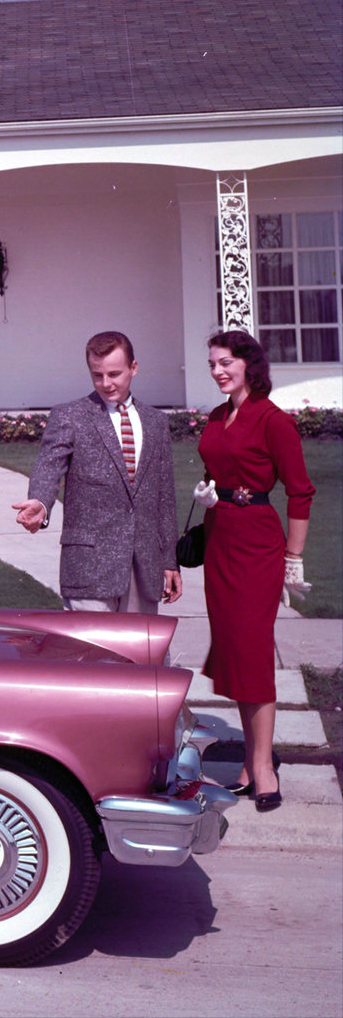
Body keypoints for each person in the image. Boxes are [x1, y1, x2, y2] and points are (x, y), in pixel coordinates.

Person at [196, 330, 313, 813]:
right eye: (212, 365)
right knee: (233, 652)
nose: (219, 371)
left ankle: (263, 767)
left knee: (252, 649)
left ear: (249, 364)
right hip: (219, 538)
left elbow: (301, 491)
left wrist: (293, 558)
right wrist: (210, 496)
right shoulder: (218, 416)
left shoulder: (273, 420)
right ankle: (252, 759)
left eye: (226, 363)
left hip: (259, 545)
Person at [12, 331, 182, 613]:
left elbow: (164, 498)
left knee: (140, 656)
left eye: (114, 374)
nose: (106, 383)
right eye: (97, 375)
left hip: (144, 568)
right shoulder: (71, 416)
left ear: (134, 368)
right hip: (89, 566)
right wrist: (40, 502)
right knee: (88, 655)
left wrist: (169, 560)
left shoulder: (156, 422)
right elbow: (48, 466)